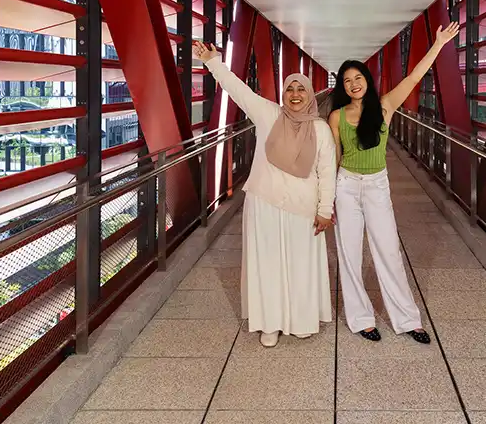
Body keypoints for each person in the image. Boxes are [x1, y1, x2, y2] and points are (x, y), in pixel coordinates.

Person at [193, 41, 336, 348]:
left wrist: (325, 209)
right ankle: (269, 323)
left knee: (300, 264)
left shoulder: (321, 130)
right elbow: (238, 89)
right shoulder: (268, 115)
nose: (295, 95)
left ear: (310, 95)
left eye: (301, 90)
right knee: (267, 264)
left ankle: (300, 320)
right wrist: (212, 62)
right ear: (283, 94)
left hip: (303, 208)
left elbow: (327, 172)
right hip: (265, 202)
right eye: (290, 90)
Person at [329, 23, 460, 343]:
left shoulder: (385, 105)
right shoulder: (336, 116)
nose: (353, 84)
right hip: (345, 186)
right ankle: (361, 319)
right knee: (348, 253)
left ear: (366, 80)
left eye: (357, 78)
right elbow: (333, 157)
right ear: (342, 88)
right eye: (347, 81)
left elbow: (415, 77)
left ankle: (407, 319)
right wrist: (327, 197)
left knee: (388, 250)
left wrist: (439, 44)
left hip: (376, 186)